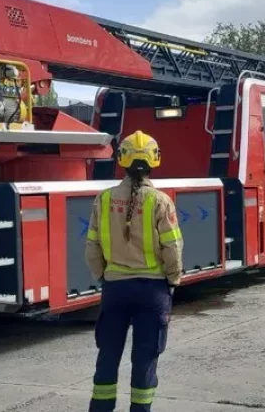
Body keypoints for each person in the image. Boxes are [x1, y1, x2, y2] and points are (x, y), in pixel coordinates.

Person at [84, 130, 184, 412]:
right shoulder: (161, 201)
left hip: (115, 289)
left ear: (122, 160)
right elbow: (172, 247)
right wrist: (173, 280)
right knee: (145, 359)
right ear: (155, 160)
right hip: (152, 291)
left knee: (108, 356)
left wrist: (104, 276)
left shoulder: (103, 200)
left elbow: (91, 248)